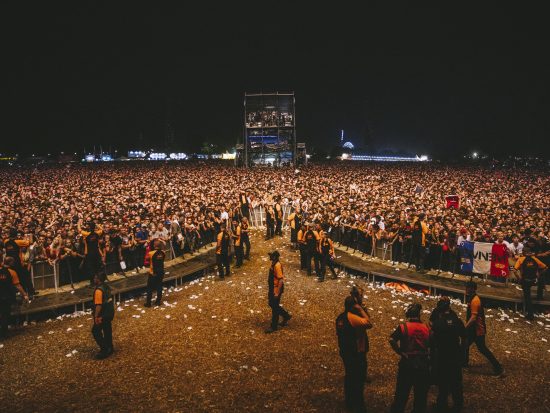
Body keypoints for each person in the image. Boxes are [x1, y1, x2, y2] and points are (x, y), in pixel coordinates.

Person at [389, 303, 431, 413]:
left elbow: (392, 340)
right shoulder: (427, 328)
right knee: (420, 397)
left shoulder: (403, 327)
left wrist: (400, 352)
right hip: (423, 364)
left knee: (401, 395)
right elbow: (432, 344)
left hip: (407, 363)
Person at [336, 295, 372, 413]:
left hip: (346, 352)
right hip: (356, 353)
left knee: (349, 377)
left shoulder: (340, 317)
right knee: (358, 379)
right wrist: (361, 310)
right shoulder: (353, 318)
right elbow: (369, 323)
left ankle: (349, 402)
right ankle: (358, 405)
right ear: (354, 306)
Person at [430, 296, 465, 412]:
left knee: (443, 381)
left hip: (443, 355)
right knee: (456, 382)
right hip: (455, 354)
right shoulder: (456, 320)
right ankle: (458, 404)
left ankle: (442, 404)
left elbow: (432, 340)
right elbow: (464, 336)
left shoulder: (438, 323)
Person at [463, 281, 503, 375]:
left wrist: (465, 327)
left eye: (468, 288)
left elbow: (473, 317)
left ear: (473, 289)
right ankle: (464, 363)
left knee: (482, 349)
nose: (466, 289)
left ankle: (498, 368)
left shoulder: (475, 301)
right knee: (464, 345)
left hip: (477, 330)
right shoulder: (472, 298)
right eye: (466, 287)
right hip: (473, 329)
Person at [514, 247, 547, 320]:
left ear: (523, 252)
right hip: (534, 280)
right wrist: (538, 275)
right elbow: (545, 267)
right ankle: (539, 296)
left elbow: (515, 270)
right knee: (541, 280)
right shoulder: (535, 259)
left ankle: (530, 313)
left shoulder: (521, 259)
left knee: (527, 296)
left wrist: (519, 279)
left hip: (525, 281)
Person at [0, 256, 29, 339]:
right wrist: (25, 295)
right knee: (5, 314)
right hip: (6, 296)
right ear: (11, 263)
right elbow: (18, 285)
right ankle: (3, 334)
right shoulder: (12, 272)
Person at [4, 229, 36, 297]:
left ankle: (22, 294)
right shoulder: (18, 242)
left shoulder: (6, 241)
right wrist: (30, 235)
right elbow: (30, 242)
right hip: (17, 264)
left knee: (16, 280)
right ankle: (30, 293)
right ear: (16, 235)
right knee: (26, 278)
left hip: (9, 265)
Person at [265, 250, 291, 333]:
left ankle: (274, 326)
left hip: (276, 288)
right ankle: (286, 315)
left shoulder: (277, 265)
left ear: (275, 257)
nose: (270, 257)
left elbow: (280, 280)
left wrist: (277, 292)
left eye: (271, 255)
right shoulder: (274, 263)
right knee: (272, 304)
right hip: (273, 287)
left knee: (275, 307)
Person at [91, 271, 114, 359]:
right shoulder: (106, 286)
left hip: (103, 314)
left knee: (95, 331)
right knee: (107, 329)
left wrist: (96, 316)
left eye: (95, 278)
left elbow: (99, 305)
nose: (94, 279)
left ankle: (104, 350)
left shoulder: (98, 290)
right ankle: (110, 347)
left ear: (98, 279)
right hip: (109, 312)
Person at [78, 220, 104, 285]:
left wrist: (79, 223)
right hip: (96, 252)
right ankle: (98, 281)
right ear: (94, 227)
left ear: (89, 227)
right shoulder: (97, 233)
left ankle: (92, 282)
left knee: (90, 268)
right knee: (97, 267)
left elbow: (79, 230)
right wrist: (96, 224)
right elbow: (102, 229)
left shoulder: (86, 234)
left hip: (89, 253)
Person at [145, 239, 166, 307]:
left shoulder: (151, 253)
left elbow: (147, 259)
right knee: (159, 286)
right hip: (161, 272)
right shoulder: (163, 252)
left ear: (154, 246)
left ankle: (148, 303)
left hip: (153, 273)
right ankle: (158, 301)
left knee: (149, 288)